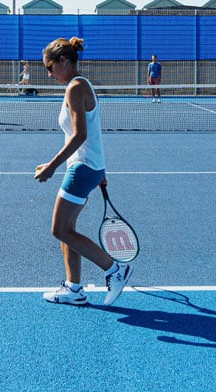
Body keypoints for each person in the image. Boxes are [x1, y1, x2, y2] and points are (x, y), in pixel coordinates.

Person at [34, 36, 133, 306]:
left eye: (50, 67)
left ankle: (116, 270)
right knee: (68, 228)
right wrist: (101, 170)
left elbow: (80, 135)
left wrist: (52, 167)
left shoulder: (75, 88)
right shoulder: (80, 85)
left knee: (59, 229)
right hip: (89, 167)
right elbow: (92, 134)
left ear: (63, 60)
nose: (49, 73)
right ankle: (73, 288)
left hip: (83, 168)